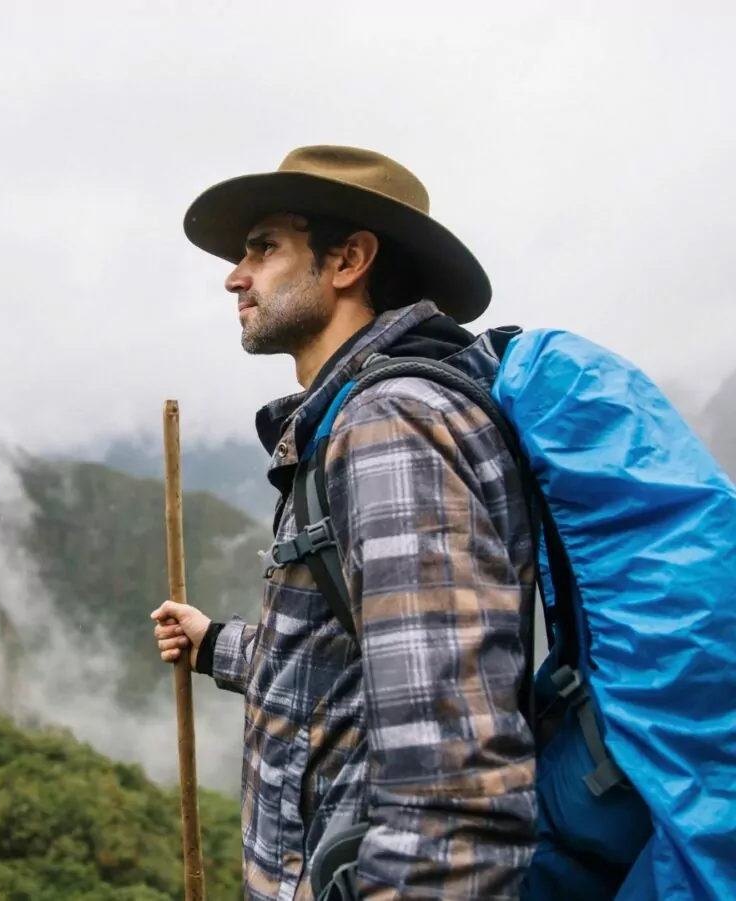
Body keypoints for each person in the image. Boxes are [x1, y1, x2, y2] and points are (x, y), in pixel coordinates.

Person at [151, 146, 538, 900]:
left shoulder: (388, 426)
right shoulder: (355, 420)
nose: (235, 275)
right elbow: (351, 663)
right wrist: (215, 646)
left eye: (264, 247)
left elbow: (452, 783)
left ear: (348, 260)